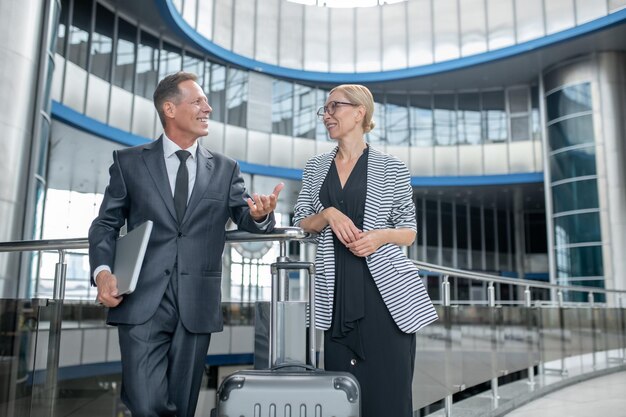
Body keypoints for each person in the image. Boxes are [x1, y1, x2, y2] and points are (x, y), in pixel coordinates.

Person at [88, 71, 283, 417]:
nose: (207, 108)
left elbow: (246, 219)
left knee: (183, 405)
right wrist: (103, 273)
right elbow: (106, 224)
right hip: (140, 301)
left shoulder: (225, 169)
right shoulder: (129, 162)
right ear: (169, 108)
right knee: (146, 403)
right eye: (197, 101)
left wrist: (260, 217)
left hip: (196, 304)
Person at [293, 84, 437, 417]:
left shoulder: (392, 167)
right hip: (336, 295)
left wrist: (380, 236)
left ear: (360, 112)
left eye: (334, 107)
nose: (326, 115)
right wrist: (327, 213)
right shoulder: (315, 168)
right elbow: (301, 222)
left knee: (389, 394)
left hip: (386, 298)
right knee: (341, 397)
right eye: (324, 110)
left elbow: (409, 232)